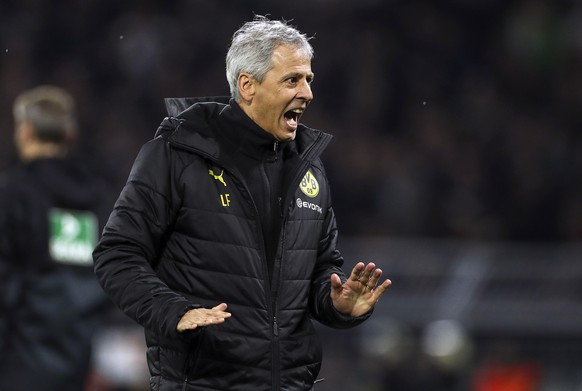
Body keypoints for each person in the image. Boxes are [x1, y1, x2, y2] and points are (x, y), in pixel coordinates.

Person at [93, 15, 392, 391]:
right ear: (248, 86)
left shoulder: (309, 169)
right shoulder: (175, 155)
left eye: (309, 80)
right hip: (201, 382)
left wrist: (337, 305)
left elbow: (318, 272)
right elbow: (117, 255)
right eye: (292, 80)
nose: (308, 93)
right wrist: (174, 311)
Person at [0, 85, 113, 390]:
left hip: (17, 362)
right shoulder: (99, 200)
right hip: (78, 360)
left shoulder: (13, 194)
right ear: (70, 135)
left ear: (24, 131)